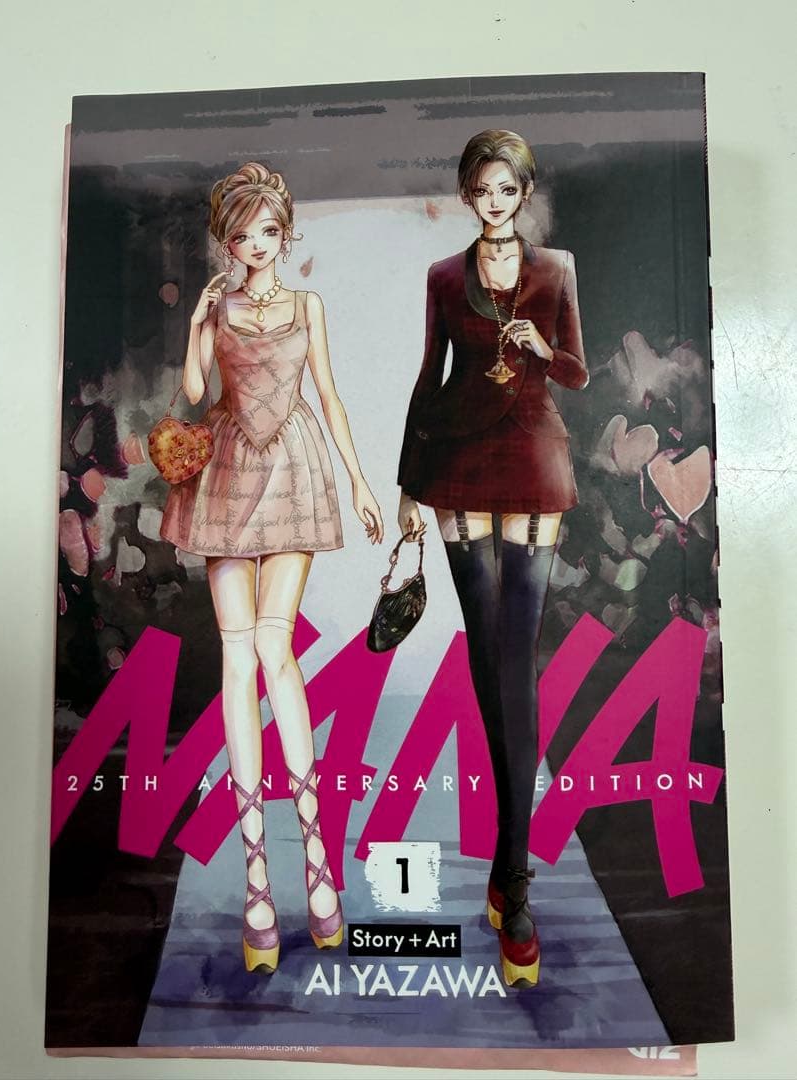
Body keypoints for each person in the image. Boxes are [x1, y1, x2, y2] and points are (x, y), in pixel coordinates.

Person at [160, 162, 383, 974]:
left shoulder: (307, 305)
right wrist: (197, 323)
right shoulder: (220, 308)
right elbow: (195, 393)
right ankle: (257, 873)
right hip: (226, 472)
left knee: (274, 648)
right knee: (237, 658)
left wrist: (358, 481)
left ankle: (315, 857)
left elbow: (329, 396)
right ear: (227, 241)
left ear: (285, 234)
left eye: (267, 230)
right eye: (242, 233)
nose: (256, 244)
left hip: (292, 470)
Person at [396, 130, 588, 988]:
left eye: (508, 188)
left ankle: (514, 878)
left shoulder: (558, 271)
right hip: (459, 467)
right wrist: (408, 485)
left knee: (518, 663)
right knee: (488, 659)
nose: (495, 201)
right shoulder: (445, 276)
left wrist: (545, 351)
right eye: (482, 189)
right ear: (468, 195)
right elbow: (428, 376)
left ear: (524, 192)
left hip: (536, 460)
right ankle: (510, 871)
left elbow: (577, 373)